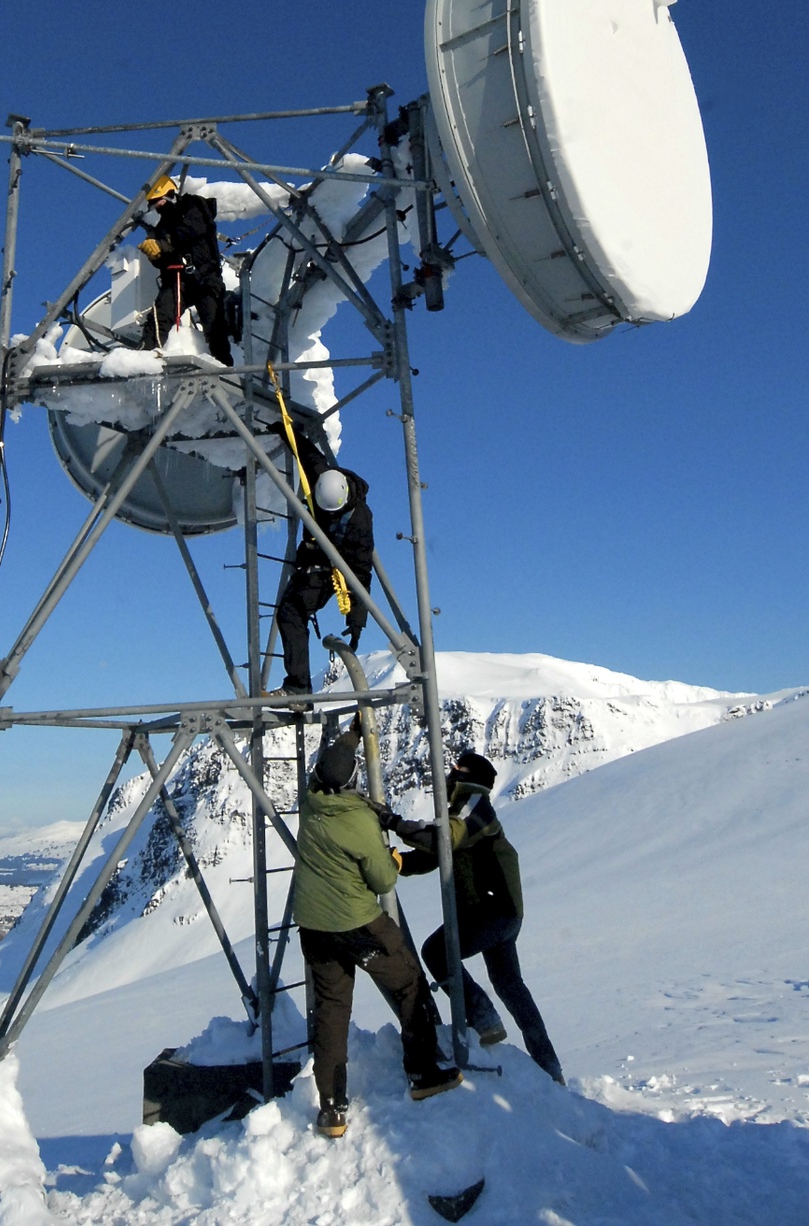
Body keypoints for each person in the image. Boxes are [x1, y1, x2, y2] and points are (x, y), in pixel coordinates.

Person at [293, 721, 462, 1137]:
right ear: (353, 782)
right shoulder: (358, 824)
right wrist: (389, 851)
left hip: (313, 925)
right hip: (356, 923)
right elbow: (384, 881)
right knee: (408, 982)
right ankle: (423, 1074)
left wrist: (352, 736)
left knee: (332, 1010)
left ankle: (332, 1109)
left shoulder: (310, 800)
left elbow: (331, 764)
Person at [386, 751, 565, 1084]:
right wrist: (400, 863)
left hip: (493, 912)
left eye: (457, 769)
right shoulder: (465, 812)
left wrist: (396, 825)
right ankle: (550, 1069)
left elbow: (443, 839)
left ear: (468, 778)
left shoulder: (474, 808)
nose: (450, 773)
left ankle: (483, 1018)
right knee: (512, 987)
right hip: (499, 912)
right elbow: (436, 854)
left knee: (437, 952)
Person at [268, 423, 373, 698]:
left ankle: (298, 686)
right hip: (310, 560)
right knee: (289, 611)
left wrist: (357, 617)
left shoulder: (359, 522)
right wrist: (286, 431)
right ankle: (297, 685)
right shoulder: (321, 478)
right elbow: (308, 454)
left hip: (331, 572)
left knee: (291, 611)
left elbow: (361, 570)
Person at [138, 175, 234, 366]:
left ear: (171, 195)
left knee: (214, 325)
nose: (158, 207)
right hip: (177, 279)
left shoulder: (194, 206)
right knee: (160, 316)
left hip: (205, 277)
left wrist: (162, 245)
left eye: (160, 202)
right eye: (155, 204)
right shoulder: (162, 227)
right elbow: (165, 257)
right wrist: (156, 254)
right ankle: (145, 357)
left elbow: (191, 232)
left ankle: (224, 369)